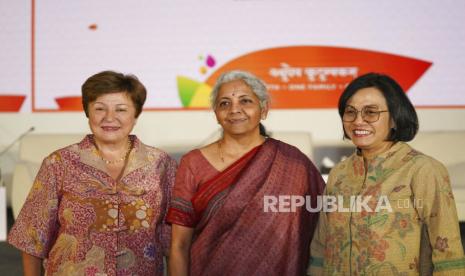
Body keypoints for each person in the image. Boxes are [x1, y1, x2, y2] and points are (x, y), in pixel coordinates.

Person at [8, 71, 176, 275]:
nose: (110, 118)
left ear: (136, 114)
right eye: (99, 109)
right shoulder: (59, 164)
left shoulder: (161, 164)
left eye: (121, 109)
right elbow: (32, 237)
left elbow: (174, 241)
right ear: (87, 112)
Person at [167, 70, 325, 276]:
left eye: (245, 101)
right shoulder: (193, 163)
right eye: (224, 103)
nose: (235, 109)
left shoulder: (293, 164)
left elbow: (321, 227)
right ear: (216, 113)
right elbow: (179, 245)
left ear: (264, 109)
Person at [308, 73, 465, 275]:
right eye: (350, 112)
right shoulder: (340, 173)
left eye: (371, 112)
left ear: (394, 118)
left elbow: (448, 252)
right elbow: (322, 243)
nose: (358, 121)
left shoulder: (422, 170)